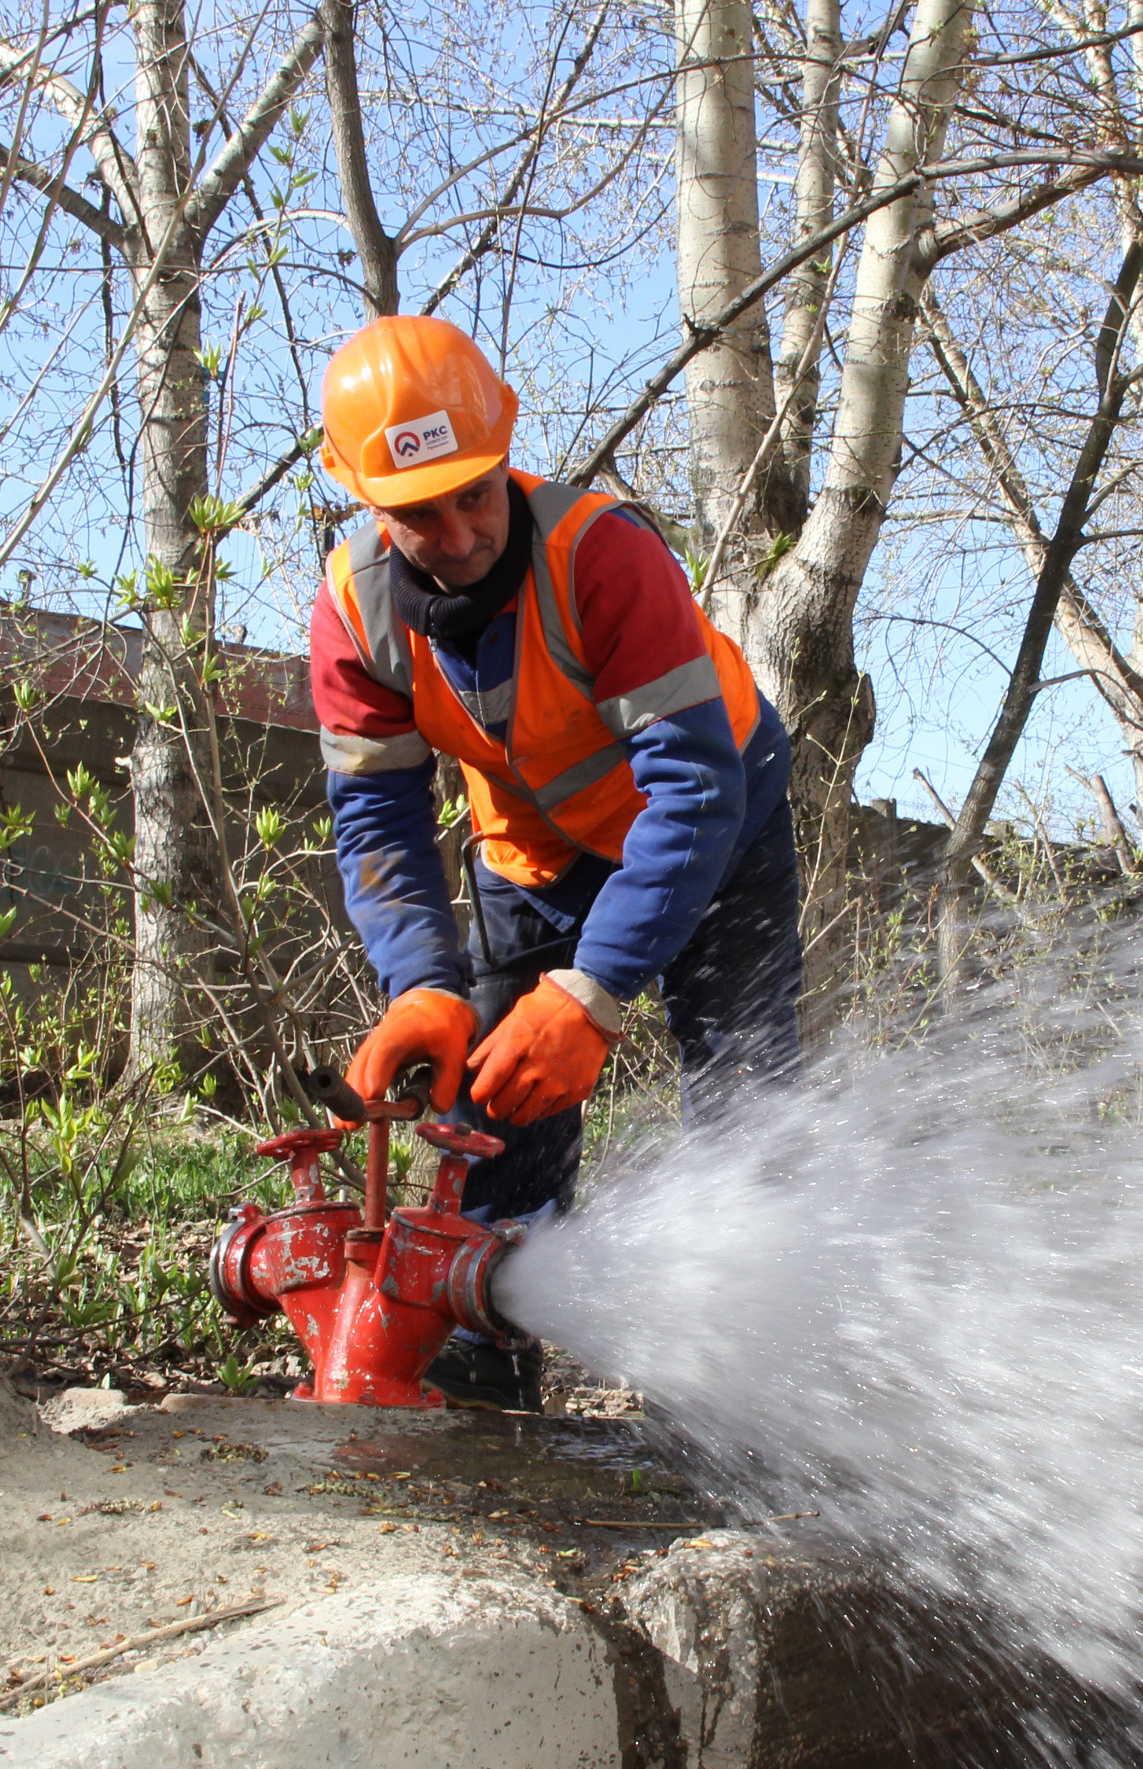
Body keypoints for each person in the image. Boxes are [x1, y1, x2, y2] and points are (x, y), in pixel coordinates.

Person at [306, 315, 801, 1410]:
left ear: (505, 452)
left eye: (474, 494)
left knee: (745, 1085)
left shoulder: (602, 555)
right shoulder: (354, 611)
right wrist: (423, 985)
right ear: (364, 499)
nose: (458, 529)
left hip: (716, 824)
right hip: (532, 849)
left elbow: (696, 790)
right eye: (417, 513)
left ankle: (753, 1368)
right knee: (490, 1103)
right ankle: (491, 1343)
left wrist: (595, 987)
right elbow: (378, 822)